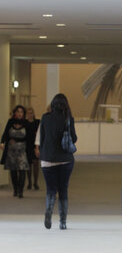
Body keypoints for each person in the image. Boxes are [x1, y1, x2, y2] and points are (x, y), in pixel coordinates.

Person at [35, 93, 77, 230]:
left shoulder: (45, 118)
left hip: (47, 159)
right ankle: (62, 222)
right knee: (63, 189)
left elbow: (42, 139)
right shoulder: (68, 119)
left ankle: (48, 210)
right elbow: (74, 139)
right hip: (65, 159)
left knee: (51, 189)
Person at [0, 105, 30, 198]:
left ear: (23, 114)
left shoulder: (26, 123)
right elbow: (5, 133)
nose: (20, 113)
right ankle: (15, 188)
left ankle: (21, 190)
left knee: (22, 169)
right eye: (18, 111)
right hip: (11, 150)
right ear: (15, 113)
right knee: (13, 171)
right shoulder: (10, 122)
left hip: (22, 149)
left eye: (21, 112)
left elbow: (30, 137)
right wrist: (3, 142)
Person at [26, 106, 40, 190]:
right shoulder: (24, 123)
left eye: (31, 113)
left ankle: (35, 182)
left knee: (35, 163)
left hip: (35, 145)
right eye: (28, 113)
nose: (30, 114)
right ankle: (29, 182)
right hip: (27, 145)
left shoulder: (37, 122)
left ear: (33, 113)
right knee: (28, 164)